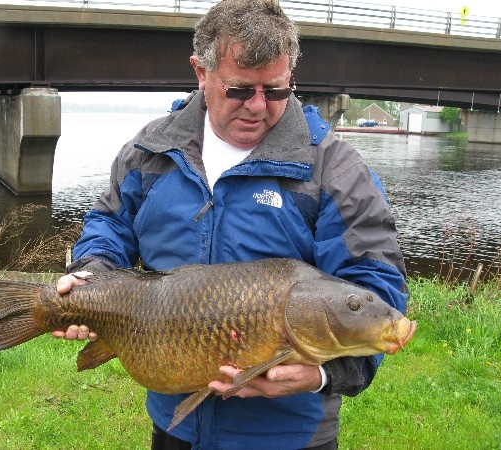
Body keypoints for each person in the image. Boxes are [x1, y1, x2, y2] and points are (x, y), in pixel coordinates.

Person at [52, 0, 409, 448]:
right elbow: (110, 227)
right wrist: (91, 273)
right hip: (175, 424)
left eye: (276, 90)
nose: (258, 106)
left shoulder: (334, 169)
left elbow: (376, 287)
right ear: (201, 72)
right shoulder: (150, 152)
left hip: (290, 435)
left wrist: (321, 373)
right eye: (240, 90)